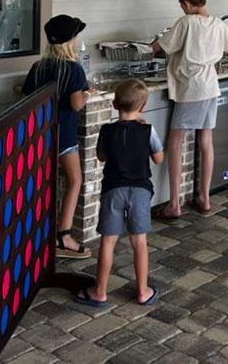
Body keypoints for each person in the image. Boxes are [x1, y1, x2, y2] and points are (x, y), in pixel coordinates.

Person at [75, 79, 164, 308]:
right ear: (143, 107)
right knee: (139, 242)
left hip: (113, 189)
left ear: (115, 104)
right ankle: (143, 291)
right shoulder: (148, 130)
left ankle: (100, 292)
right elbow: (159, 157)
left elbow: (101, 157)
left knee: (108, 241)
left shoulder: (106, 130)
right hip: (141, 192)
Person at [152, 0, 228, 218]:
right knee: (206, 140)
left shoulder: (185, 22)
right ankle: (204, 197)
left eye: (183, 5)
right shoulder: (218, 23)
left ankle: (174, 205)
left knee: (175, 142)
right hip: (210, 86)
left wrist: (148, 46)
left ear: (188, 4)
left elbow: (161, 45)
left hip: (190, 88)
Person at [22, 14, 92, 258]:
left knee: (44, 184)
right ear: (69, 41)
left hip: (39, 136)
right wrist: (86, 95)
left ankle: (39, 231)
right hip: (64, 137)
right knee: (74, 181)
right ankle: (63, 237)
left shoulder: (38, 67)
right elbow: (75, 105)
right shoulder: (73, 69)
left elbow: (27, 99)